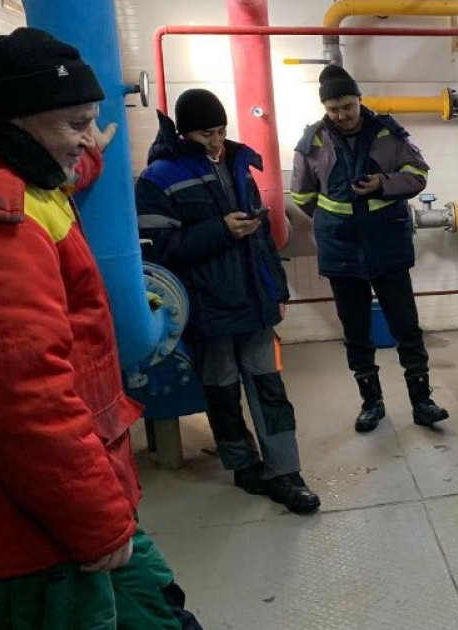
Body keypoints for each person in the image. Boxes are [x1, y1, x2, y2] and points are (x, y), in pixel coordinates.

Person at [0, 27, 202, 629]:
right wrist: (97, 523)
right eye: (76, 124)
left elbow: (61, 176)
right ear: (17, 121)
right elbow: (22, 400)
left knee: (163, 612)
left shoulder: (19, 173)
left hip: (75, 494)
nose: (87, 139)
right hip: (46, 535)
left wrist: (92, 149)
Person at [135, 88, 321, 515]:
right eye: (206, 134)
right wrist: (220, 230)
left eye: (220, 131)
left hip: (252, 301)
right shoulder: (158, 179)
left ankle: (287, 472)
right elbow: (157, 249)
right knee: (220, 391)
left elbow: (262, 240)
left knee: (270, 389)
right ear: (184, 133)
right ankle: (243, 465)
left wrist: (275, 290)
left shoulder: (238, 164)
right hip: (208, 307)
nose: (217, 141)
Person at [290, 65, 449, 434]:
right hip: (341, 251)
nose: (342, 115)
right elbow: (301, 196)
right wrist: (335, 222)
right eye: (333, 109)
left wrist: (383, 183)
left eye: (348, 106)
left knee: (406, 327)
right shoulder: (312, 142)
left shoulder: (388, 134)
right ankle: (371, 403)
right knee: (356, 332)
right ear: (324, 108)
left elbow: (418, 174)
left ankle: (422, 402)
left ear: (359, 100)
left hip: (387, 245)